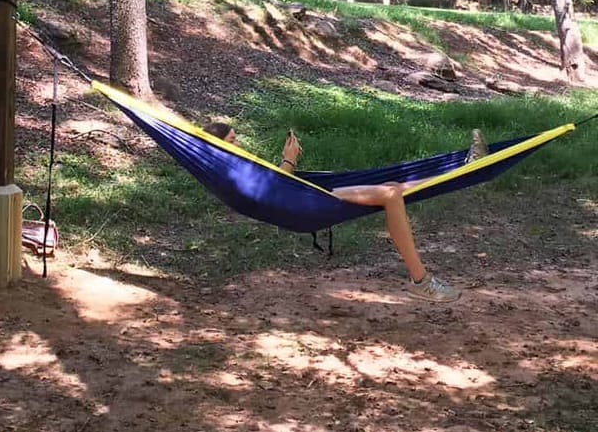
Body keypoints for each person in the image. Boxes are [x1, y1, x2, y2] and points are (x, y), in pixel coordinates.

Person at [203, 122, 489, 303]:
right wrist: (288, 159)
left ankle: (463, 167)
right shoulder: (230, 171)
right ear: (218, 147)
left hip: (301, 200)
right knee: (390, 194)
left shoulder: (234, 166)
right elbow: (272, 191)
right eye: (231, 140)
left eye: (235, 137)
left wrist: (287, 163)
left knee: (391, 187)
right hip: (300, 206)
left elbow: (271, 187)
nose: (237, 143)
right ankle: (421, 281)